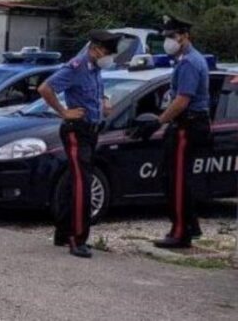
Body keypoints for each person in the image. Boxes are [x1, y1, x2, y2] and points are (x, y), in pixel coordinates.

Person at [37, 29, 121, 258]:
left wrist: (103, 102)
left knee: (70, 183)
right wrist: (63, 111)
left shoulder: (95, 69)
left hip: (91, 131)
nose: (109, 57)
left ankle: (63, 233)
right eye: (106, 52)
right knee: (82, 184)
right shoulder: (77, 66)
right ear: (94, 49)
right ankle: (77, 237)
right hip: (76, 131)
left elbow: (96, 91)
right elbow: (45, 88)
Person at [137, 16, 211, 249]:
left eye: (172, 36)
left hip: (187, 125)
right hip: (184, 124)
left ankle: (181, 232)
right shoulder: (183, 60)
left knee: (176, 181)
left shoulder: (189, 62)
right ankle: (190, 224)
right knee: (172, 178)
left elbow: (182, 101)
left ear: (184, 36)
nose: (168, 41)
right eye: (166, 36)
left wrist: (158, 121)